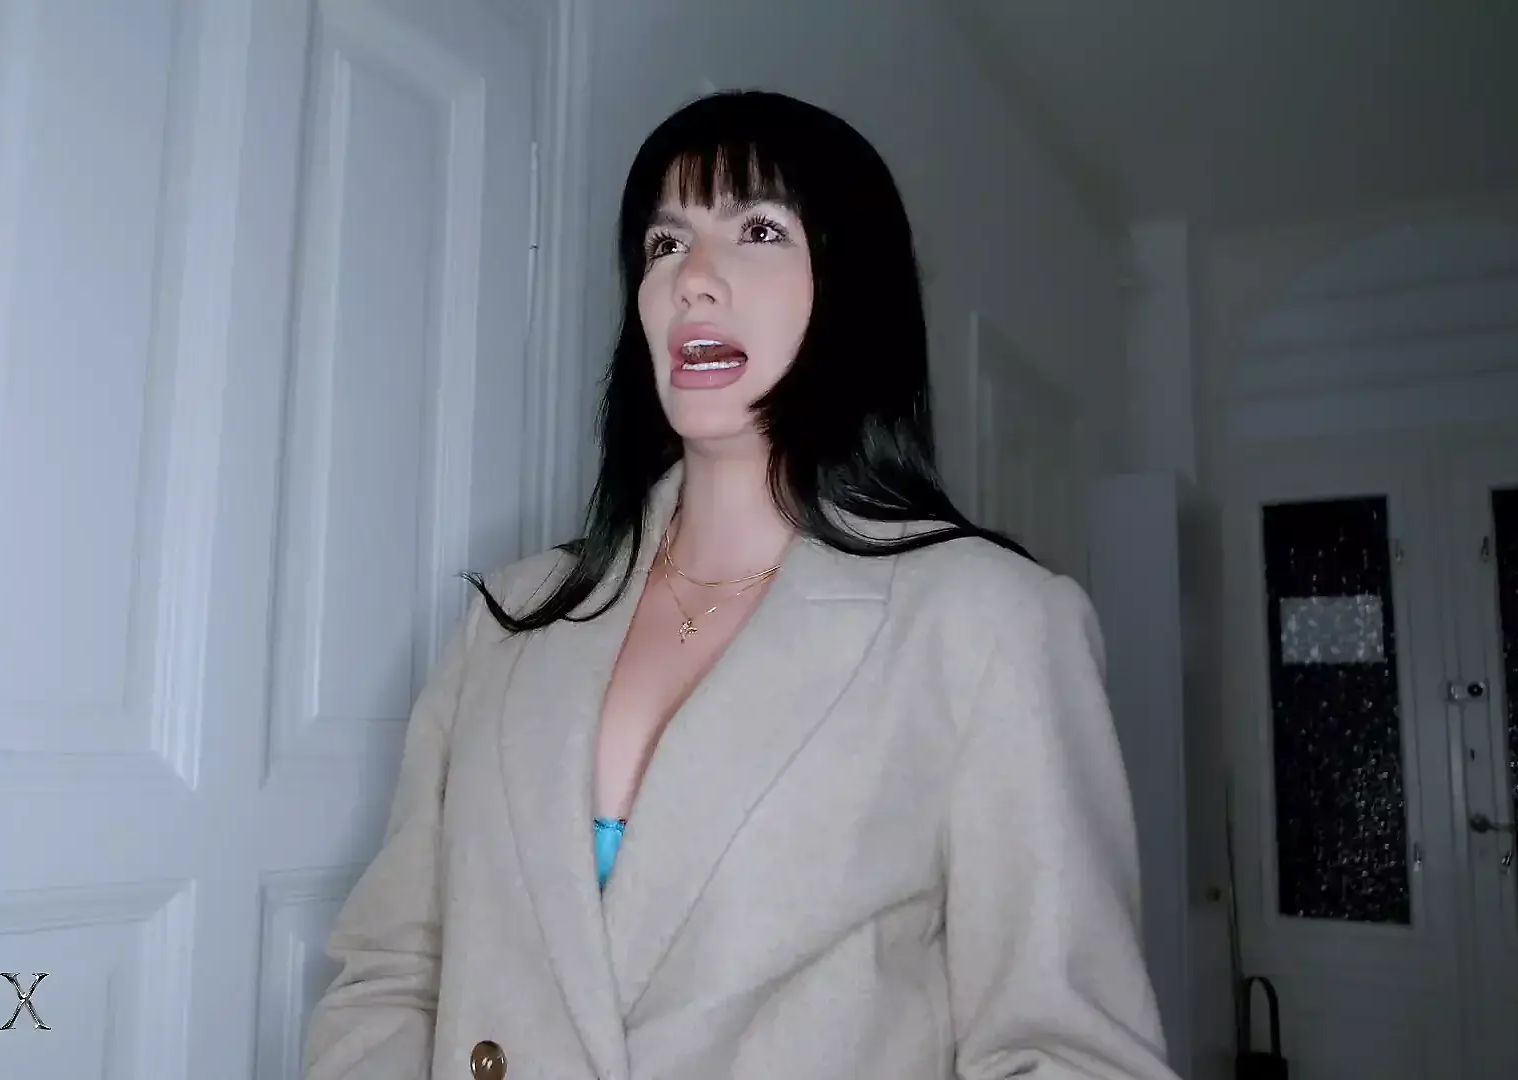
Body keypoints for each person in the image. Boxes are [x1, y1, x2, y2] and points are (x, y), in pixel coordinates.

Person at [302, 89, 1177, 1080]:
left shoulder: (989, 622)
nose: (693, 280)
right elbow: (391, 975)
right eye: (665, 243)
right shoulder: (508, 619)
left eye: (758, 230)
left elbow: (1066, 1051)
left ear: (850, 286)